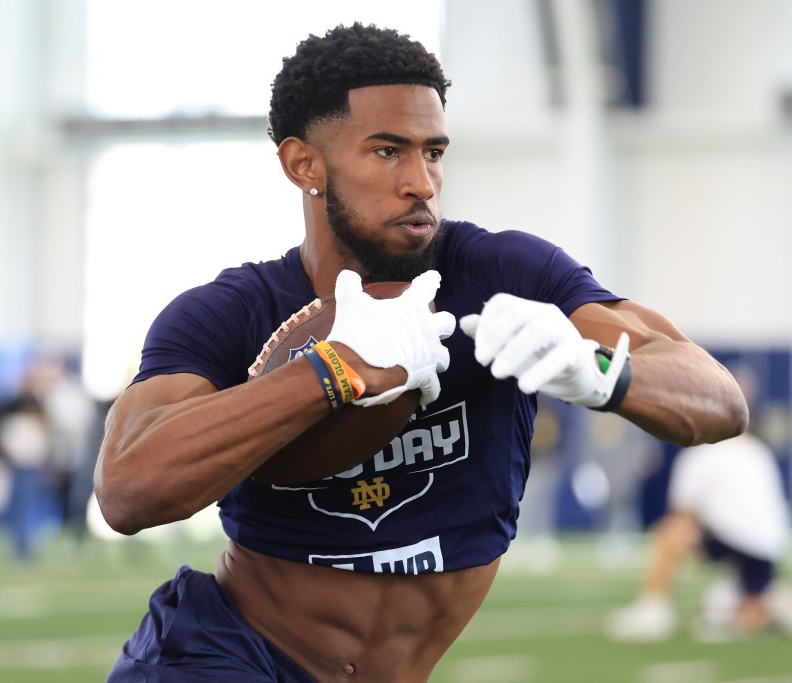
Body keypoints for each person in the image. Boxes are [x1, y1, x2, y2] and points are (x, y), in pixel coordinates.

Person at [95, 23, 748, 682]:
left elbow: (718, 399)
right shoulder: (232, 311)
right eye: (387, 151)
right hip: (224, 658)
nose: (422, 182)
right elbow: (126, 491)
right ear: (304, 164)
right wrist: (333, 370)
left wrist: (599, 369)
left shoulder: (501, 272)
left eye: (433, 152)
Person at [603, 424, 792, 642]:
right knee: (745, 619)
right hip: (771, 547)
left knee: (670, 533)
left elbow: (683, 513)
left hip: (735, 540)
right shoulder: (757, 449)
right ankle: (769, 602)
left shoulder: (700, 454)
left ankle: (654, 609)